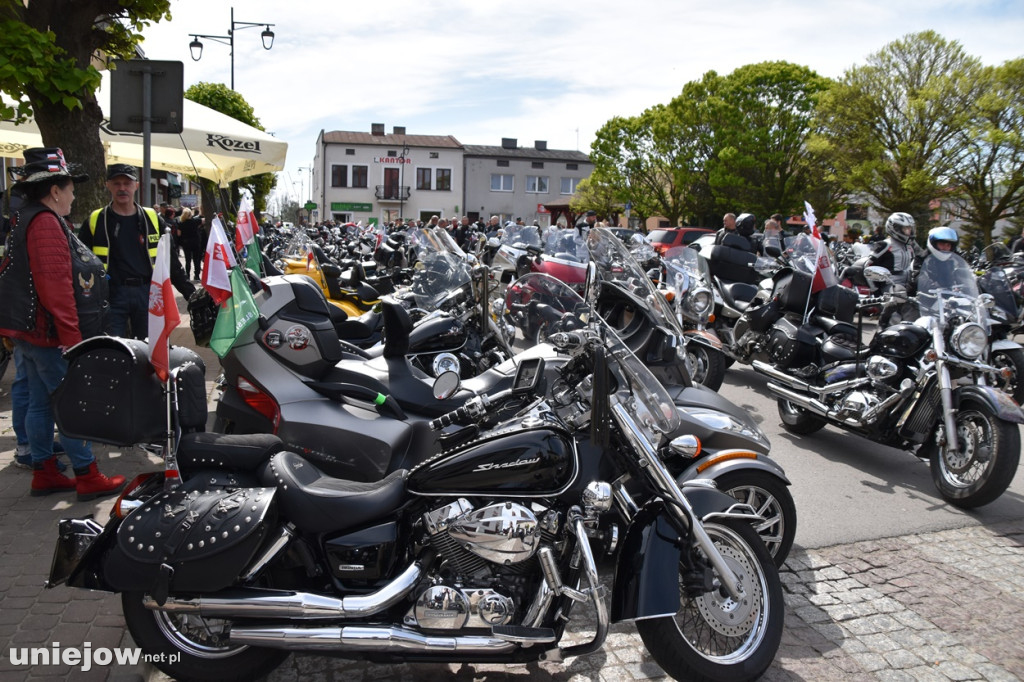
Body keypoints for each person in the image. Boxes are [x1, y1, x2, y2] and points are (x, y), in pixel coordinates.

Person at [0, 148, 125, 499]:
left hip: (31, 331)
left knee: (40, 402)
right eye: (71, 189)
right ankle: (87, 474)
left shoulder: (27, 217)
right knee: (70, 403)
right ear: (55, 190)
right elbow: (54, 287)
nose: (73, 196)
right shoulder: (45, 223)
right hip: (49, 335)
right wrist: (72, 339)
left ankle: (45, 471)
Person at [79, 164, 192, 339]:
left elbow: (171, 262)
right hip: (112, 294)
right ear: (108, 185)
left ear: (136, 185)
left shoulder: (152, 218)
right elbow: (81, 265)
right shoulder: (96, 220)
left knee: (151, 347)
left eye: (127, 183)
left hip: (148, 292)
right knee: (113, 348)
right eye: (117, 183)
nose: (122, 188)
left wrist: (190, 294)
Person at [870, 212, 925, 327]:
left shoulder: (910, 246)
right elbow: (868, 265)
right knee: (899, 294)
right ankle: (884, 322)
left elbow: (924, 256)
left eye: (910, 228)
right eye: (906, 229)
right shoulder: (885, 244)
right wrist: (875, 290)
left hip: (908, 283)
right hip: (890, 283)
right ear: (895, 228)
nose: (909, 231)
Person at [177, 207, 204, 280]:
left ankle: (188, 275)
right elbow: (203, 220)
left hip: (186, 243)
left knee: (188, 260)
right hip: (196, 242)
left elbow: (179, 234)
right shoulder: (196, 221)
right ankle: (197, 275)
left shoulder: (181, 223)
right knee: (196, 260)